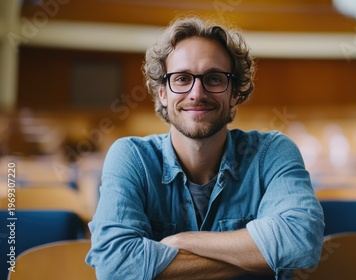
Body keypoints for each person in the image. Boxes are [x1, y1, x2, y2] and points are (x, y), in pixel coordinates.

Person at [85, 16, 325, 280]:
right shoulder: (131, 157)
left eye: (213, 79)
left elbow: (301, 241)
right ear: (163, 93)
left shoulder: (272, 152)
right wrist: (257, 257)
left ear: (234, 92)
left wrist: (181, 242)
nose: (197, 93)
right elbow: (115, 266)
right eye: (182, 78)